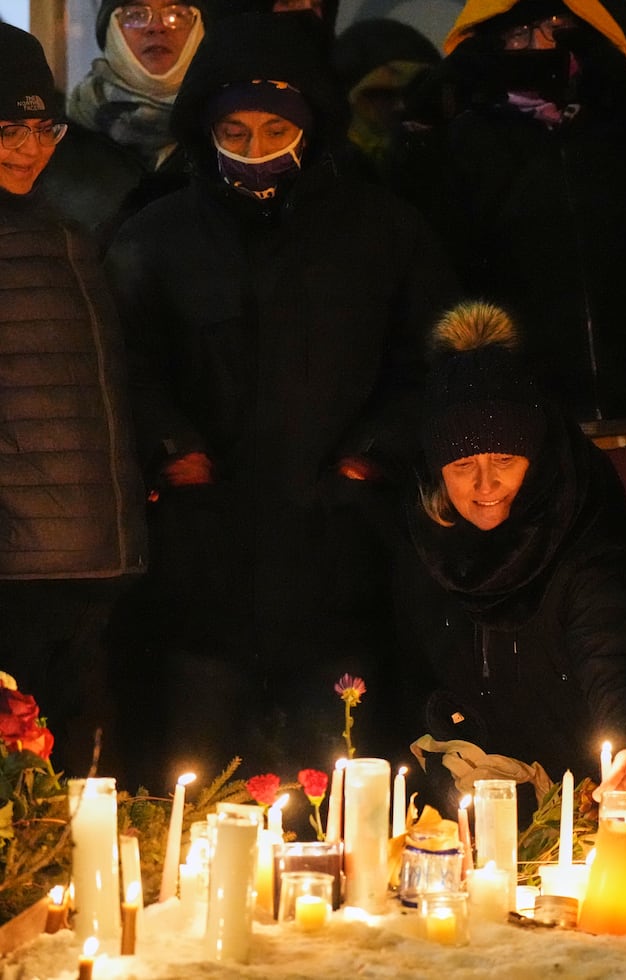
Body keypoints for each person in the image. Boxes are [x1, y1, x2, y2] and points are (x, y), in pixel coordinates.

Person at [103, 11, 459, 786]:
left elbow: (428, 362)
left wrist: (370, 459)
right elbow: (126, 361)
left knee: (339, 784)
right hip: (202, 560)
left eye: (274, 131)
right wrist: (175, 451)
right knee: (196, 784)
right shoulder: (154, 237)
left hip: (340, 556)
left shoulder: (384, 234)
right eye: (235, 131)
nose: (256, 153)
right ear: (206, 130)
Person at [389, 0, 626, 633]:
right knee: (570, 633)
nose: (537, 45)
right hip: (539, 451)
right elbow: (429, 286)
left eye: (556, 28)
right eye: (515, 33)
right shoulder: (462, 148)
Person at [380, 300, 626, 817]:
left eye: (504, 459)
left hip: (584, 801)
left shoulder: (580, 538)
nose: (484, 486)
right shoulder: (423, 543)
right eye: (462, 465)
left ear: (536, 457)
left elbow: (616, 657)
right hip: (468, 803)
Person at [0, 25, 148, 778]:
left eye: (42, 127)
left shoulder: (64, 233)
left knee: (86, 795)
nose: (29, 148)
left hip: (89, 564)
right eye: (5, 128)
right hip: (17, 574)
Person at [40, 0, 211, 244]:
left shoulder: (229, 137)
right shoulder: (52, 142)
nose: (156, 27)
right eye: (136, 14)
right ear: (111, 31)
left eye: (176, 14)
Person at [331, 18, 441, 181]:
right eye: (383, 94)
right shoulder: (330, 175)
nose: (400, 106)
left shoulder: (451, 161)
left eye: (414, 92)